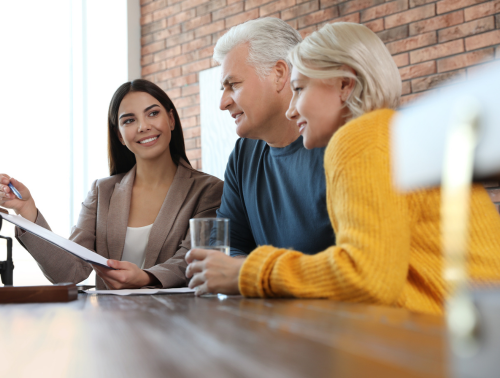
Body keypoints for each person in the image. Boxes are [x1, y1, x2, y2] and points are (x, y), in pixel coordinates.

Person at [186, 22, 500, 315]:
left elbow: (367, 275)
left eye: (300, 89)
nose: (292, 109)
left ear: (344, 86)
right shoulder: (383, 133)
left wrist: (247, 272)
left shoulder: (361, 138)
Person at [0, 79, 223, 290]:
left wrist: (144, 277)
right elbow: (69, 272)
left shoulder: (208, 190)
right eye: (129, 120)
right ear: (119, 135)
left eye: (153, 113)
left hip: (179, 323)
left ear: (171, 120)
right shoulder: (102, 191)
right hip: (110, 324)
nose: (143, 126)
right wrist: (26, 210)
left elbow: (194, 259)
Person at [210, 18, 336, 258]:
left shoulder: (338, 141)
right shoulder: (243, 153)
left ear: (279, 74)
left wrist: (251, 273)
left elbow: (358, 262)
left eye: (233, 85)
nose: (223, 103)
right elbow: (226, 245)